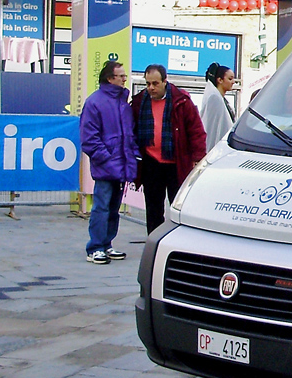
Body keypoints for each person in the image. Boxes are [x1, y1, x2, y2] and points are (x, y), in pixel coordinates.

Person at [131, 64, 208, 234]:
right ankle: (154, 240)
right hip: (151, 162)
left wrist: (198, 158)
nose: (151, 88)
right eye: (148, 83)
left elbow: (196, 131)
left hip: (177, 163)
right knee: (153, 208)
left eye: (155, 83)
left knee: (178, 205)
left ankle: (178, 239)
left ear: (165, 81)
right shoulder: (138, 102)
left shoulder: (182, 101)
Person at [79, 60, 138, 264]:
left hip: (120, 165)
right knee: (102, 207)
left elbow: (129, 135)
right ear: (110, 78)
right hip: (107, 167)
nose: (124, 78)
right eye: (121, 75)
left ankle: (106, 244)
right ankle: (95, 247)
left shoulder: (122, 102)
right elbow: (89, 139)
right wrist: (106, 158)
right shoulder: (95, 102)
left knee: (113, 208)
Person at [201, 62, 236, 152]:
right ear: (219, 80)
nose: (233, 82)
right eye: (230, 78)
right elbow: (211, 128)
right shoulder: (214, 98)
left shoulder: (222, 99)